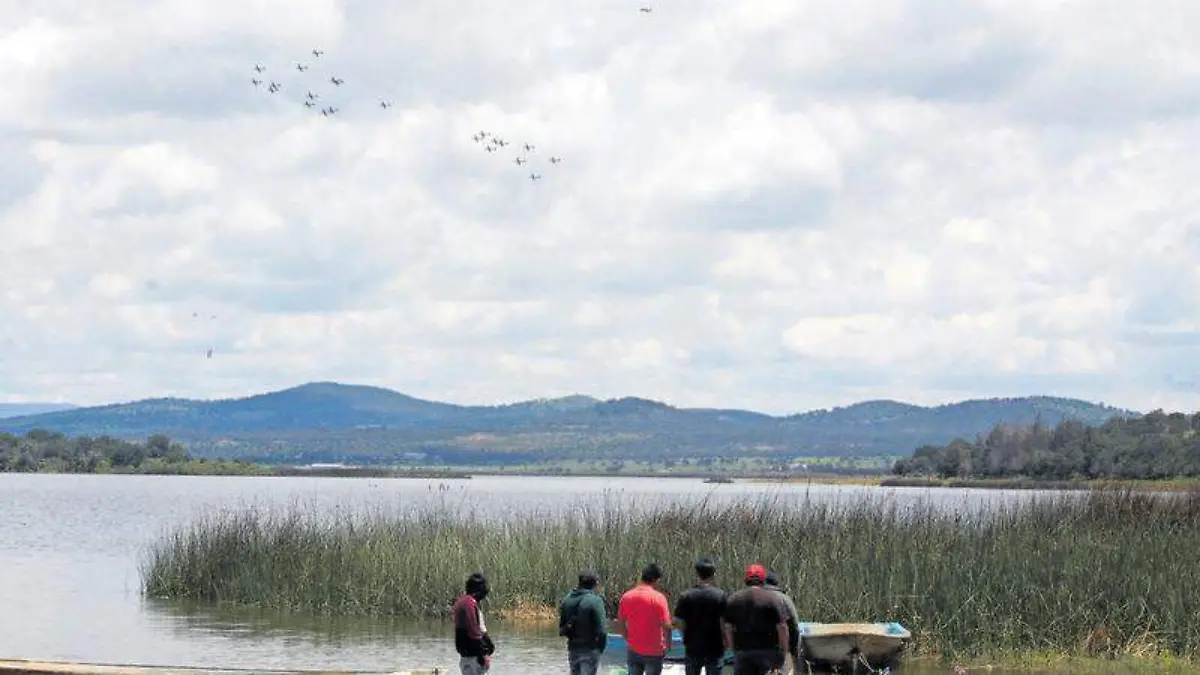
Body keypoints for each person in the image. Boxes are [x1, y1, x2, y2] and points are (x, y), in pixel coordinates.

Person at [722, 564, 790, 675]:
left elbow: (727, 627)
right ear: (763, 579)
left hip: (743, 651)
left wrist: (733, 648)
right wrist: (783, 650)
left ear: (746, 579)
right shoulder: (773, 598)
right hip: (768, 652)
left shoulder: (734, 599)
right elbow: (782, 627)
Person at [673, 557, 728, 675]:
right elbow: (723, 622)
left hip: (693, 646)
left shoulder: (686, 596)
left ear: (697, 574)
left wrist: (685, 636)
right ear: (713, 574)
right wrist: (726, 640)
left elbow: (677, 621)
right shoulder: (720, 595)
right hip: (715, 647)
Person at [617, 563, 673, 675]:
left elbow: (620, 623)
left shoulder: (627, 597)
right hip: (654, 651)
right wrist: (668, 646)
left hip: (633, 649)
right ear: (656, 580)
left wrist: (628, 638)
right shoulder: (659, 598)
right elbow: (667, 626)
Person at [559, 569, 608, 675]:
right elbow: (602, 631)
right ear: (595, 583)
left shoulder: (567, 600)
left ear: (579, 582)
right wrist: (600, 649)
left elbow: (562, 627)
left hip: (573, 648)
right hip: (590, 649)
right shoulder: (595, 601)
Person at [452, 572, 496, 675]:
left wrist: (489, 647)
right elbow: (474, 631)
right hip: (474, 658)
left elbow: (480, 629)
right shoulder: (469, 603)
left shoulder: (463, 602)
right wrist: (483, 654)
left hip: (469, 656)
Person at [764, 571, 801, 671]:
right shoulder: (785, 599)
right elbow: (795, 626)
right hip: (781, 649)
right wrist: (794, 650)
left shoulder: (755, 598)